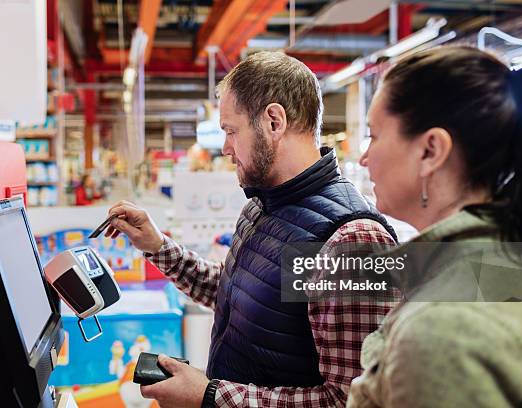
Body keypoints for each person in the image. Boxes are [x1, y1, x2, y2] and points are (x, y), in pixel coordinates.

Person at [106, 51, 399, 408]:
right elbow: (238, 297)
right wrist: (157, 245)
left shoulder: (353, 242)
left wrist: (210, 395)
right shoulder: (262, 206)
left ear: (274, 122)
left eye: (231, 131)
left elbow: (348, 401)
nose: (226, 148)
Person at [347, 46, 522, 407]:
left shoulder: (440, 328)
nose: (364, 157)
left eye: (375, 134)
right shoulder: (504, 258)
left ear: (431, 151)